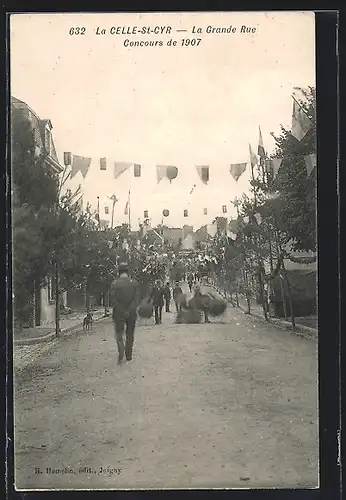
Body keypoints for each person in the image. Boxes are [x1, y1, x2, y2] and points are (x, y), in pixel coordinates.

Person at [110, 262, 140, 363]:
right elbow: (136, 299)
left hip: (118, 312)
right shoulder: (134, 283)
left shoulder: (115, 284)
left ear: (119, 272)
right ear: (128, 271)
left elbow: (113, 300)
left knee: (119, 333)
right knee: (130, 333)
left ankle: (121, 349)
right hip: (131, 312)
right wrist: (129, 310)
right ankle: (128, 354)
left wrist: (122, 310)